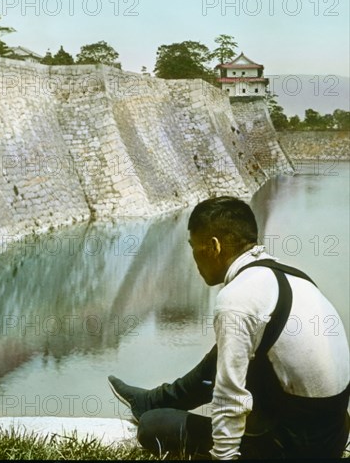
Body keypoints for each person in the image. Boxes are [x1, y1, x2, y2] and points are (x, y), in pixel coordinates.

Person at [108, 196, 350, 459]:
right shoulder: (288, 276)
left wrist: (223, 455)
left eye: (194, 247)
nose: (194, 259)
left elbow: (229, 398)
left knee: (153, 425)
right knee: (225, 352)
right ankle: (153, 400)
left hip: (297, 448)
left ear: (214, 246)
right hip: (334, 434)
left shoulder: (236, 299)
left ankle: (152, 407)